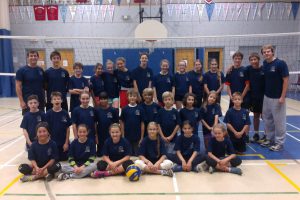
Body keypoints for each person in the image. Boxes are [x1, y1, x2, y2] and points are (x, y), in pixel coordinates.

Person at [260, 44, 289, 151]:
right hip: (267, 96)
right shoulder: (264, 64)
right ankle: (269, 139)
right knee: (267, 119)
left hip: (277, 98)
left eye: (268, 51)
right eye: (264, 52)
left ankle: (279, 143)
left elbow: (286, 80)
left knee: (279, 121)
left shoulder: (280, 63)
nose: (266, 53)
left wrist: (282, 96)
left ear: (272, 52)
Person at [244, 53, 265, 143]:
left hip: (264, 96)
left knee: (265, 116)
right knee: (255, 116)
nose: (253, 61)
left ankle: (266, 135)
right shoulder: (248, 69)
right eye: (251, 60)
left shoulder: (264, 68)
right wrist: (231, 66)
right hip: (253, 96)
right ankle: (256, 134)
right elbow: (238, 68)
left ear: (258, 60)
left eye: (255, 59)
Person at [45, 92, 71, 161]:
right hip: (52, 142)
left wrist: (66, 143)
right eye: (54, 99)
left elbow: (68, 128)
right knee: (53, 160)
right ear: (51, 101)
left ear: (62, 100)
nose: (56, 100)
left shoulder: (65, 113)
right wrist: (48, 142)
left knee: (64, 159)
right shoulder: (48, 114)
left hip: (63, 143)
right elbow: (46, 129)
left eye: (58, 99)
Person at [120, 89, 145, 155]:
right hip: (127, 137)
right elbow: (122, 122)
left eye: (134, 96)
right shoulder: (124, 109)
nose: (132, 98)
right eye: (130, 96)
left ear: (137, 97)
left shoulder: (140, 109)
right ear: (127, 97)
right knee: (128, 154)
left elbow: (142, 123)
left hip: (137, 137)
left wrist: (142, 137)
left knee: (137, 155)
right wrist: (122, 135)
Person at [95, 92, 119, 156]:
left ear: (108, 99)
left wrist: (115, 135)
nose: (103, 101)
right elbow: (95, 123)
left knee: (111, 154)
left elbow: (116, 124)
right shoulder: (97, 110)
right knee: (100, 154)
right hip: (100, 134)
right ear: (99, 100)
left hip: (110, 135)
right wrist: (96, 135)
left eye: (105, 99)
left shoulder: (113, 110)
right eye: (101, 99)